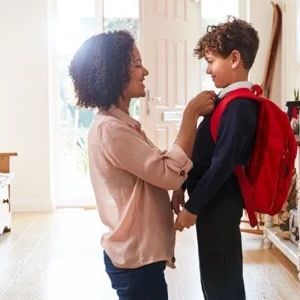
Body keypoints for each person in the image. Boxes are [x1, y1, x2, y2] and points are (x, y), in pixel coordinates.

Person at [68, 30, 216, 300]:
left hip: (138, 257)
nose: (144, 71)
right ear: (114, 73)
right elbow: (168, 174)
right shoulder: (111, 130)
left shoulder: (120, 124)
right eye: (136, 65)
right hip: (135, 261)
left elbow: (158, 169)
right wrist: (190, 114)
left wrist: (177, 187)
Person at [172, 17, 260, 300]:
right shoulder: (226, 102)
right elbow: (204, 153)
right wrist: (181, 187)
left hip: (220, 205)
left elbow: (222, 165)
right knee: (215, 275)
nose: (208, 69)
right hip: (213, 205)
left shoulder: (239, 106)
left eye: (211, 61)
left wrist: (193, 208)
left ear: (234, 58)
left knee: (222, 279)